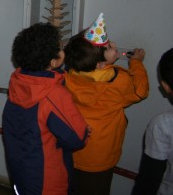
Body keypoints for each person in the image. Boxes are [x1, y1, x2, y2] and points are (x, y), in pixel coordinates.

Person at [64, 13, 149, 195]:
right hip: (100, 156)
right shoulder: (118, 81)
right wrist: (136, 64)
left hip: (73, 148)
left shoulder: (71, 73)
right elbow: (140, 91)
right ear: (101, 65)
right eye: (109, 46)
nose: (115, 45)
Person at [2, 22, 89, 195]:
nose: (63, 48)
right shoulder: (53, 94)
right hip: (47, 182)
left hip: (20, 176)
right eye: (61, 47)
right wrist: (85, 130)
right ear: (54, 61)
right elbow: (77, 138)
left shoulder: (17, 83)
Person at [132, 48, 173, 195]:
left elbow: (148, 181)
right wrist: (136, 63)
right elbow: (140, 91)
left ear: (166, 86)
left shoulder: (163, 124)